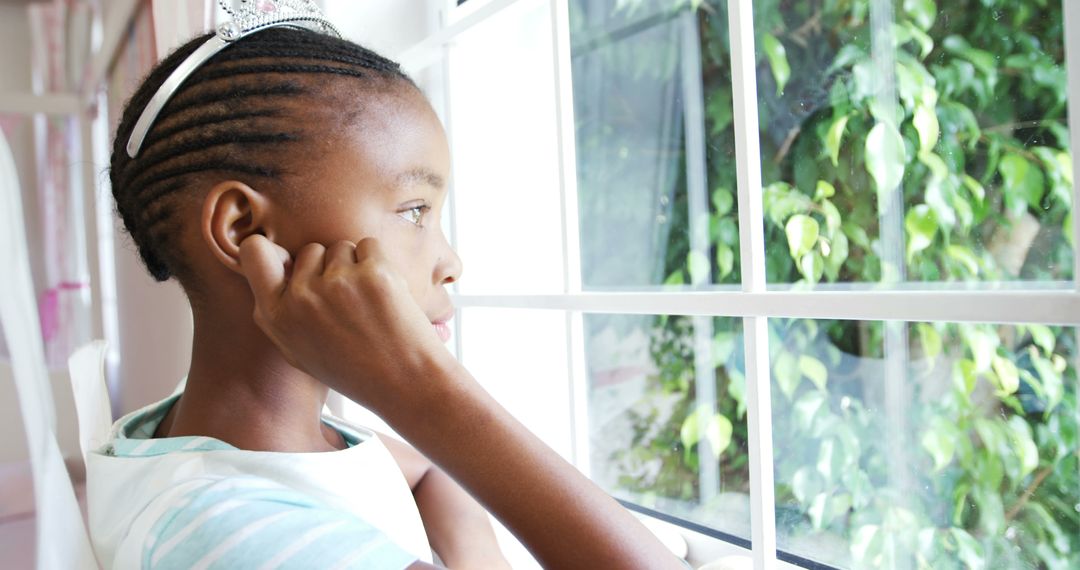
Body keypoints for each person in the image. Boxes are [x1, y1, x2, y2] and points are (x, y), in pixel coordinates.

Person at [94, 6, 685, 569]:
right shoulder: (227, 535)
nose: (451, 261)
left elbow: (427, 473)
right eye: (413, 210)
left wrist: (482, 558)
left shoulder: (235, 434)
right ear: (245, 230)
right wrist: (419, 388)